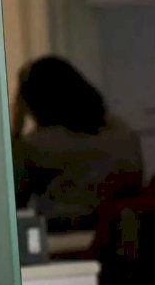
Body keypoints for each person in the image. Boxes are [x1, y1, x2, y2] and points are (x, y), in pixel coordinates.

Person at [12, 56, 143, 231]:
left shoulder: (35, 145)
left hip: (63, 236)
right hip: (122, 235)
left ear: (34, 102)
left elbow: (13, 201)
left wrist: (16, 127)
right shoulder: (122, 131)